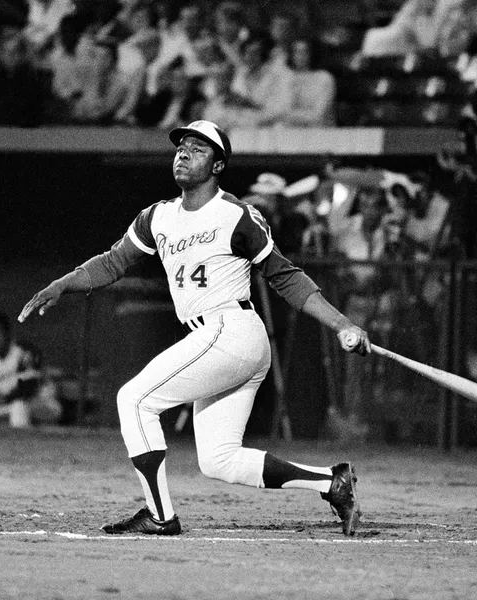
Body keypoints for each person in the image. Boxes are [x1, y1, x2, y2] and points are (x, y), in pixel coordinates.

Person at [18, 120, 370, 536]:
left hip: (231, 328)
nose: (183, 153)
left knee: (134, 400)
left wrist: (342, 323)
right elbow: (113, 262)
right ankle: (333, 482)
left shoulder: (235, 215)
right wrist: (63, 284)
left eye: (198, 149)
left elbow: (286, 276)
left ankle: (160, 516)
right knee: (219, 460)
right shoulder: (158, 216)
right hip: (218, 337)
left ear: (219, 165)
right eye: (181, 146)